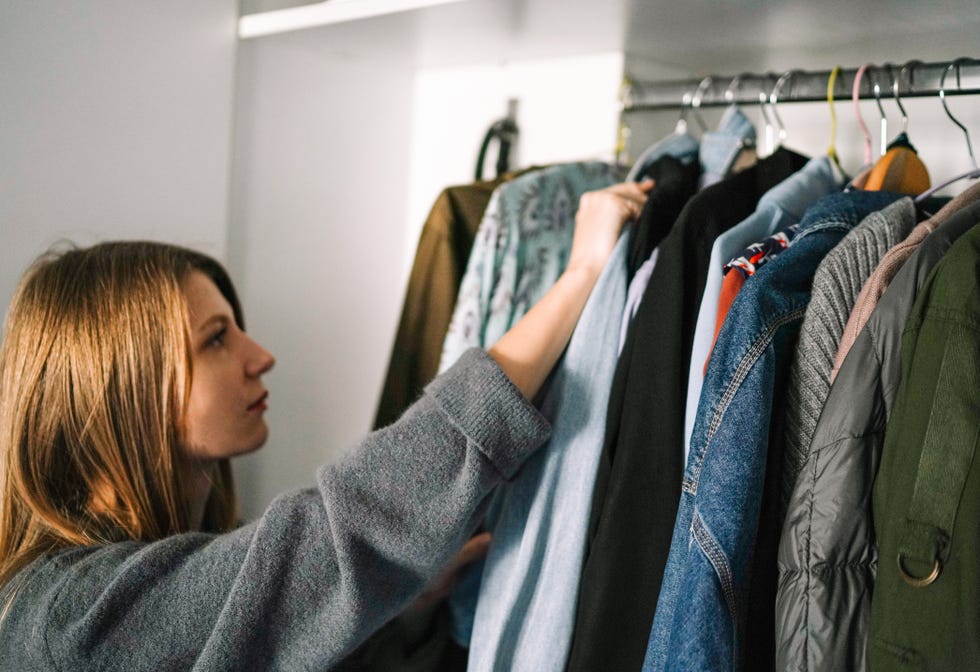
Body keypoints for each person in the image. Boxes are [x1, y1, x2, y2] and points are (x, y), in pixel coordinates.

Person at [0, 180, 652, 670]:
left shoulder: (114, 586)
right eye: (217, 339)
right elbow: (342, 531)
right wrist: (582, 275)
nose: (261, 357)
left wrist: (411, 602)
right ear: (122, 387)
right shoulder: (62, 618)